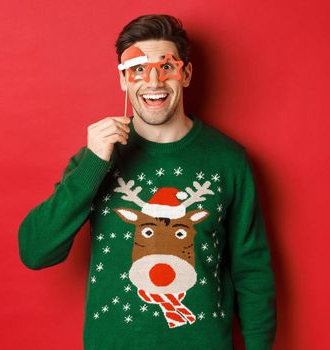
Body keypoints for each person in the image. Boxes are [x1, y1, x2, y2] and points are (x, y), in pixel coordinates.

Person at [17, 14, 276, 350]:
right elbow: (35, 252)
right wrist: (93, 165)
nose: (153, 82)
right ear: (124, 80)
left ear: (185, 74)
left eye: (165, 67)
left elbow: (251, 269)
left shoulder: (228, 160)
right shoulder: (95, 159)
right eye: (138, 69)